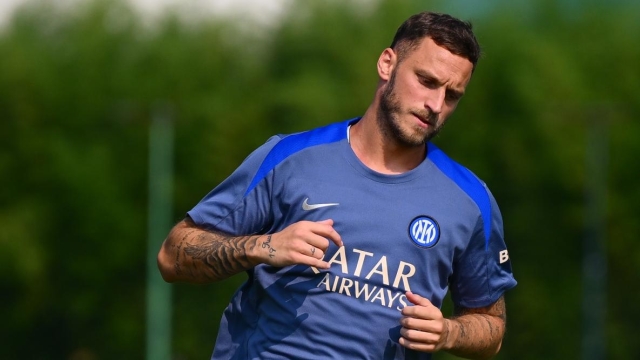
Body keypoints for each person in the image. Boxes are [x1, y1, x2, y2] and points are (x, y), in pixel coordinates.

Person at [158, 11, 517, 360]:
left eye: (452, 95)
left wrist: (448, 332)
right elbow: (173, 255)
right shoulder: (289, 158)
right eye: (426, 81)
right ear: (387, 64)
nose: (435, 105)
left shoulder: (470, 202)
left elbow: (491, 327)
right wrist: (265, 246)